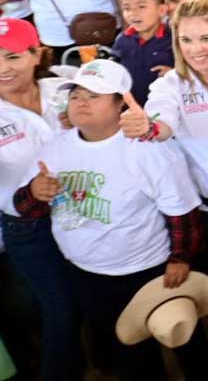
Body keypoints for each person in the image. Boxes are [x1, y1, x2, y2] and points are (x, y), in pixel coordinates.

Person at [14, 59, 208, 381]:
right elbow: (25, 209)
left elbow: (181, 210)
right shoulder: (54, 148)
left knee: (182, 337)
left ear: (121, 102)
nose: (81, 102)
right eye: (76, 94)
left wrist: (181, 258)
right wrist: (34, 192)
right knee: (130, 350)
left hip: (148, 269)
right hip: (87, 272)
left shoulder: (144, 149)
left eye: (94, 96)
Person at [119, 0, 208, 278]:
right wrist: (149, 128)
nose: (196, 50)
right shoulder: (169, 86)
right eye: (186, 40)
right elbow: (162, 123)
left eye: (205, 38)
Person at [0, 19, 81, 381]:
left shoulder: (64, 88)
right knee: (57, 310)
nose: (3, 68)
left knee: (88, 299)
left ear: (36, 54)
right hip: (27, 226)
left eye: (12, 56)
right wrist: (30, 192)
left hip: (83, 212)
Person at [112, 0, 172, 106]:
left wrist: (174, 74)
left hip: (165, 108)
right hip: (130, 109)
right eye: (127, 8)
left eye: (141, 7)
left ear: (161, 10)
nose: (133, 13)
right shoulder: (122, 40)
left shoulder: (174, 39)